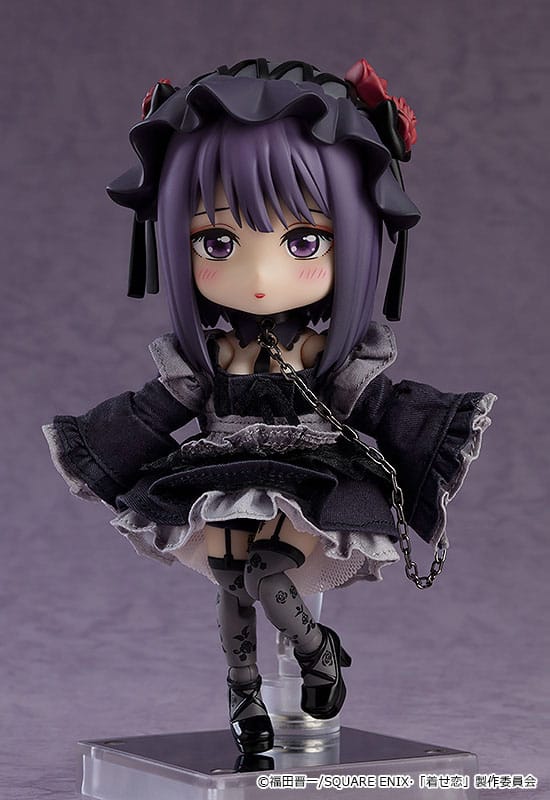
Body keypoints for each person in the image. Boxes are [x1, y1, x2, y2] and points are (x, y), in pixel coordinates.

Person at [43, 58, 495, 755]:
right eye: (217, 242)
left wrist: (432, 433)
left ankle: (317, 653)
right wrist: (102, 441)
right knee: (232, 583)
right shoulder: (214, 355)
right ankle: (244, 694)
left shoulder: (317, 351)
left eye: (303, 241)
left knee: (265, 574)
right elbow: (160, 406)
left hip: (309, 478)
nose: (259, 276)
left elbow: (372, 402)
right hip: (218, 475)